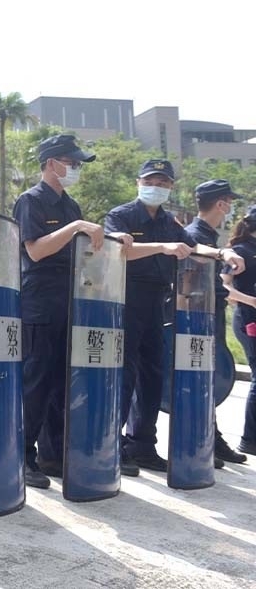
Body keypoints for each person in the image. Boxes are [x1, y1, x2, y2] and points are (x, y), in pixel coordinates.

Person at [104, 160, 244, 474]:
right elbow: (117, 250)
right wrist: (161, 247)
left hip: (157, 300)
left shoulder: (169, 221)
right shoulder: (122, 215)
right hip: (126, 297)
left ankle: (141, 444)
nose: (158, 187)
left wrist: (223, 253)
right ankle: (114, 447)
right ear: (139, 181)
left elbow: (194, 248)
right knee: (124, 376)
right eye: (152, 180)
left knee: (153, 375)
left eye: (165, 183)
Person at [12, 134, 125, 489]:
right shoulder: (30, 201)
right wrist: (76, 227)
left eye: (77, 163)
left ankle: (52, 454)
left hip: (71, 299)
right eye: (70, 162)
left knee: (62, 383)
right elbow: (35, 251)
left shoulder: (70, 205)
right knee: (35, 381)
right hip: (41, 299)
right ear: (50, 163)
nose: (74, 168)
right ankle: (21, 456)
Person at [184, 180, 247, 465]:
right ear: (221, 204)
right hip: (198, 317)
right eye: (229, 203)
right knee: (196, 381)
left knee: (206, 381)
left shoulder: (207, 234)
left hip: (210, 313)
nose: (231, 209)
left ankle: (210, 437)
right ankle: (200, 440)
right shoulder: (195, 236)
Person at [223, 205, 256, 458]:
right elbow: (226, 289)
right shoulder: (240, 252)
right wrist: (252, 301)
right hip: (248, 320)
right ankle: (248, 439)